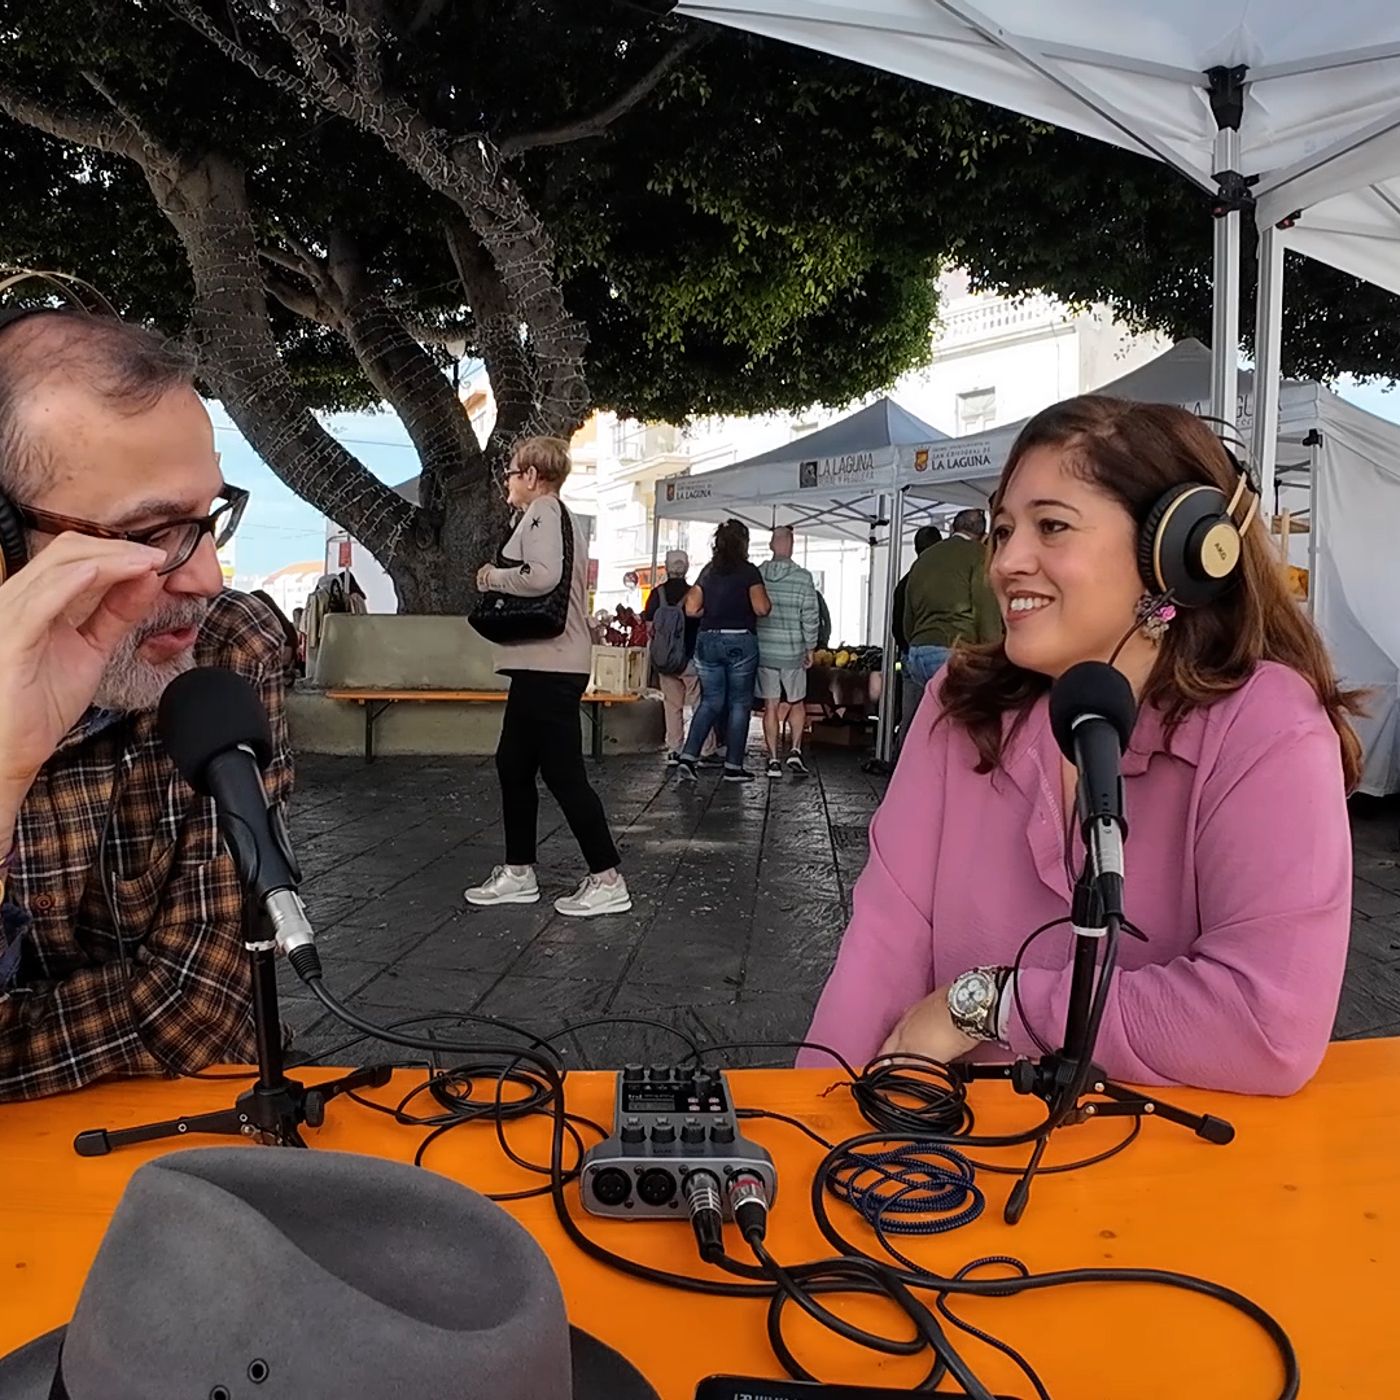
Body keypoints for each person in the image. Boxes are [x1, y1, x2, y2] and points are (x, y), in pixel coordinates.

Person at [800, 396, 1360, 1096]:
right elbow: (882, 948)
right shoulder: (960, 702)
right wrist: (809, 1129)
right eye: (1002, 532)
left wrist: (988, 1005)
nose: (1007, 562)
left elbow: (1264, 1022)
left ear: (1177, 554)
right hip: (950, 1170)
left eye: (1051, 527)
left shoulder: (1266, 726)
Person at [0, 308, 290, 1101]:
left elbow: (193, 1012)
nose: (207, 579)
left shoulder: (227, 652)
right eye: (151, 534)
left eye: (205, 520)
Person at [465, 437, 629, 918]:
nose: (508, 481)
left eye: (513, 473)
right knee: (513, 764)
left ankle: (607, 877)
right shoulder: (554, 515)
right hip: (543, 665)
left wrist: (492, 577)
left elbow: (540, 578)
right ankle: (519, 870)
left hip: (550, 665)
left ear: (533, 476)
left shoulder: (543, 513)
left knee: (561, 773)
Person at [676, 519, 771, 783]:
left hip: (708, 640)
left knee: (711, 701)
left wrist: (714, 612)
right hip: (740, 641)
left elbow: (691, 609)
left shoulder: (708, 571)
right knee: (739, 703)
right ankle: (733, 766)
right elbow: (762, 608)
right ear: (744, 543)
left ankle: (688, 756)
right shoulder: (749, 572)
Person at [901, 508, 1001, 716]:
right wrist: (993, 656)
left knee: (928, 721)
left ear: (951, 528)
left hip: (917, 653)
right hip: (954, 652)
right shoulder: (980, 556)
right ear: (983, 536)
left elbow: (908, 616)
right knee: (963, 724)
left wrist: (917, 642)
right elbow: (986, 608)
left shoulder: (925, 558)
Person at [756, 525, 820, 778]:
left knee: (770, 706)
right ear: (791, 546)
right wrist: (810, 647)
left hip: (765, 650)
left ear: (772, 546)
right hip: (793, 651)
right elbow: (811, 616)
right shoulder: (803, 578)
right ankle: (794, 750)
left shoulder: (758, 575)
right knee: (796, 702)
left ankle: (773, 760)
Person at [642, 550, 716, 765]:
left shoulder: (657, 594)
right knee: (700, 704)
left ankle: (675, 749)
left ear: (666, 566)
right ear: (686, 568)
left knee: (672, 705)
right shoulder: (694, 592)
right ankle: (705, 748)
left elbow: (650, 628)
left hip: (665, 659)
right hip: (690, 657)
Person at [892, 525, 944, 746]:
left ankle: (902, 769)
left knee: (910, 718)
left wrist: (907, 649)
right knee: (940, 720)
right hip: (943, 654)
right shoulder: (945, 581)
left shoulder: (906, 582)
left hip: (910, 655)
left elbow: (898, 625)